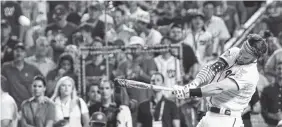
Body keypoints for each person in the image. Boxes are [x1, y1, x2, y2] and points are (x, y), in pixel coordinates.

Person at [172, 34, 267, 127]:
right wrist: (193, 84)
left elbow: (218, 88)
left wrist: (190, 93)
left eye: (246, 57)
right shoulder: (235, 52)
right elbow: (212, 69)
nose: (240, 57)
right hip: (210, 114)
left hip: (226, 119)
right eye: (241, 52)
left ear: (256, 58)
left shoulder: (249, 73)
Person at [1, 42, 42, 108]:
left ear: (25, 54)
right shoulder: (5, 67)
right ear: (13, 52)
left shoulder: (32, 69)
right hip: (10, 105)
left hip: (28, 106)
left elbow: (43, 85)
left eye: (22, 51)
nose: (19, 53)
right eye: (17, 51)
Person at [261, 62, 282, 127]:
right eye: (279, 68)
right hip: (272, 124)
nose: (281, 71)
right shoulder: (267, 89)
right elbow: (263, 109)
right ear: (275, 70)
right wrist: (272, 116)